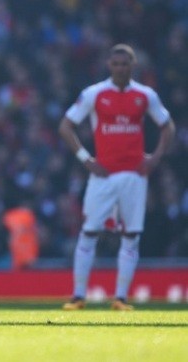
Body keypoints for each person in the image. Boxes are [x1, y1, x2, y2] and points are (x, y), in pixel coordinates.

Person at [59, 44, 175, 311]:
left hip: (134, 175)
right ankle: (78, 296)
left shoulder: (145, 96)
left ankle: (120, 298)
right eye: (116, 64)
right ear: (109, 65)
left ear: (133, 66)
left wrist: (155, 157)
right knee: (89, 233)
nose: (120, 68)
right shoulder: (94, 94)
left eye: (125, 64)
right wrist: (86, 159)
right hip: (104, 175)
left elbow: (167, 125)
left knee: (131, 236)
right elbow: (66, 126)